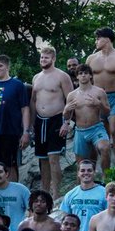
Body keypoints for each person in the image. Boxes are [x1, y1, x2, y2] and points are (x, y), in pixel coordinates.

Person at [87, 27, 115, 165]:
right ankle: (105, 168)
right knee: (102, 136)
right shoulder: (91, 58)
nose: (96, 41)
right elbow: (85, 80)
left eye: (98, 38)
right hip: (97, 98)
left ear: (107, 39)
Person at [31, 46, 74, 194]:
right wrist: (31, 125)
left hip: (56, 119)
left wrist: (66, 122)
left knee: (53, 158)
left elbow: (71, 100)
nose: (43, 60)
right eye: (42, 57)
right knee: (43, 160)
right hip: (39, 121)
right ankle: (45, 193)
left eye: (46, 57)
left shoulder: (62, 76)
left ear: (53, 59)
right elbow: (33, 101)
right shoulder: (36, 77)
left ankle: (56, 194)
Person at [62, 64, 112, 173]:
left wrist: (99, 104)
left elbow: (107, 112)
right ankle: (83, 187)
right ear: (77, 77)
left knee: (104, 148)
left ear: (90, 76)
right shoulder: (72, 95)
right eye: (80, 73)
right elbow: (67, 117)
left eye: (86, 73)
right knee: (81, 166)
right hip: (80, 131)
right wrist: (66, 110)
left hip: (96, 128)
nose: (83, 75)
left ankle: (107, 179)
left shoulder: (99, 92)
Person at [60, 160, 107, 231]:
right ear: (78, 173)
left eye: (89, 170)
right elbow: (65, 219)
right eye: (82, 170)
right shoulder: (70, 194)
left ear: (94, 172)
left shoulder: (104, 193)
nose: (86, 173)